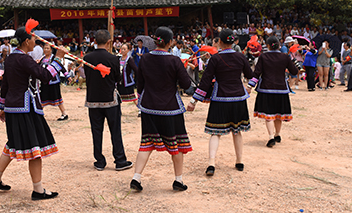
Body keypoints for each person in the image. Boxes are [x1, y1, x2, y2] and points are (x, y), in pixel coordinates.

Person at [0, 27, 67, 200]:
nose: (35, 43)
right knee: (35, 147)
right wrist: (58, 59)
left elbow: (6, 84)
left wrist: (3, 107)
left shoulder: (11, 59)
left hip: (13, 107)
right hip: (26, 108)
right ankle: (38, 190)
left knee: (13, 143)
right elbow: (45, 76)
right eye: (33, 40)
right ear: (26, 42)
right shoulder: (24, 59)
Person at [131, 27, 192, 193]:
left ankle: (136, 177)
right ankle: (178, 180)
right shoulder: (174, 60)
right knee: (177, 145)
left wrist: (141, 99)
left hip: (149, 107)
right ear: (170, 42)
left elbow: (140, 84)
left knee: (146, 143)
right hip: (170, 108)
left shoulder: (145, 59)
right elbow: (186, 85)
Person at [188, 29, 254, 177]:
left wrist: (193, 101)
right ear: (233, 41)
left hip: (220, 98)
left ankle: (211, 163)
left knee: (215, 132)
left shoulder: (215, 59)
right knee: (236, 131)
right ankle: (239, 161)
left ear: (220, 42)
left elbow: (205, 82)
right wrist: (249, 87)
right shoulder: (240, 57)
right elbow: (251, 75)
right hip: (238, 98)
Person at [83, 30, 133, 172]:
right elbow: (117, 78)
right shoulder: (113, 59)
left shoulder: (87, 58)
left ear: (94, 41)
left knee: (96, 131)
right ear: (109, 42)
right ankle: (120, 160)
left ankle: (99, 161)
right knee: (115, 130)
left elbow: (88, 76)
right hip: (110, 99)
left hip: (93, 99)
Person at [247, 36, 299, 147]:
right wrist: (292, 61)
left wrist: (250, 86)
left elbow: (256, 73)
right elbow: (294, 71)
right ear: (279, 45)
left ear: (268, 46)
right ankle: (277, 134)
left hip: (266, 88)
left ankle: (271, 137)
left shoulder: (263, 57)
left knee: (268, 114)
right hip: (281, 89)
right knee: (279, 113)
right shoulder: (285, 57)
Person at [38, 43, 69, 121]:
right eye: (44, 48)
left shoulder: (54, 58)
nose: (46, 50)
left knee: (57, 97)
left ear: (51, 50)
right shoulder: (42, 59)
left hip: (54, 81)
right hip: (45, 81)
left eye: (48, 48)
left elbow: (61, 66)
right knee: (42, 98)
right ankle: (39, 114)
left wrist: (67, 75)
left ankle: (64, 113)